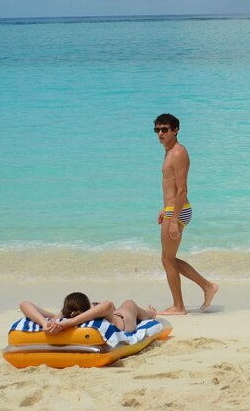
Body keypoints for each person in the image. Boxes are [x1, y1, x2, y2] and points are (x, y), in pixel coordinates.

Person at [154, 113, 219, 315]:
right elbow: (171, 187)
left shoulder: (178, 153)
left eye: (165, 129)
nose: (160, 133)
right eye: (157, 130)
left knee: (167, 259)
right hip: (173, 209)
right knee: (168, 258)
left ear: (176, 130)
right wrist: (165, 209)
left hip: (178, 211)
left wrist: (173, 219)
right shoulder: (168, 151)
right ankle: (207, 287)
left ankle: (179, 306)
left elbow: (182, 189)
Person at [20, 292, 157, 333]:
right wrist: (71, 322)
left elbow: (24, 304)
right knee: (129, 303)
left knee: (115, 307)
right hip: (123, 320)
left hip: (106, 314)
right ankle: (150, 315)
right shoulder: (75, 318)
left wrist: (44, 322)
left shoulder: (60, 318)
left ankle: (148, 314)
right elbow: (108, 304)